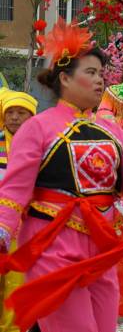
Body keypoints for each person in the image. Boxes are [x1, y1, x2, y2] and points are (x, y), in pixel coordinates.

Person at [0, 20, 123, 331]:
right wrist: (3, 230)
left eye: (101, 73)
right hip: (52, 246)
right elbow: (14, 189)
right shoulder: (38, 127)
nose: (100, 81)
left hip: (101, 247)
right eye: (90, 73)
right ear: (65, 78)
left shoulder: (110, 129)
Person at [0, 92, 36, 332]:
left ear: (32, 116)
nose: (14, 118)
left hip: (25, 225)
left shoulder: (40, 146)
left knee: (17, 282)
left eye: (20, 113)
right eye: (10, 113)